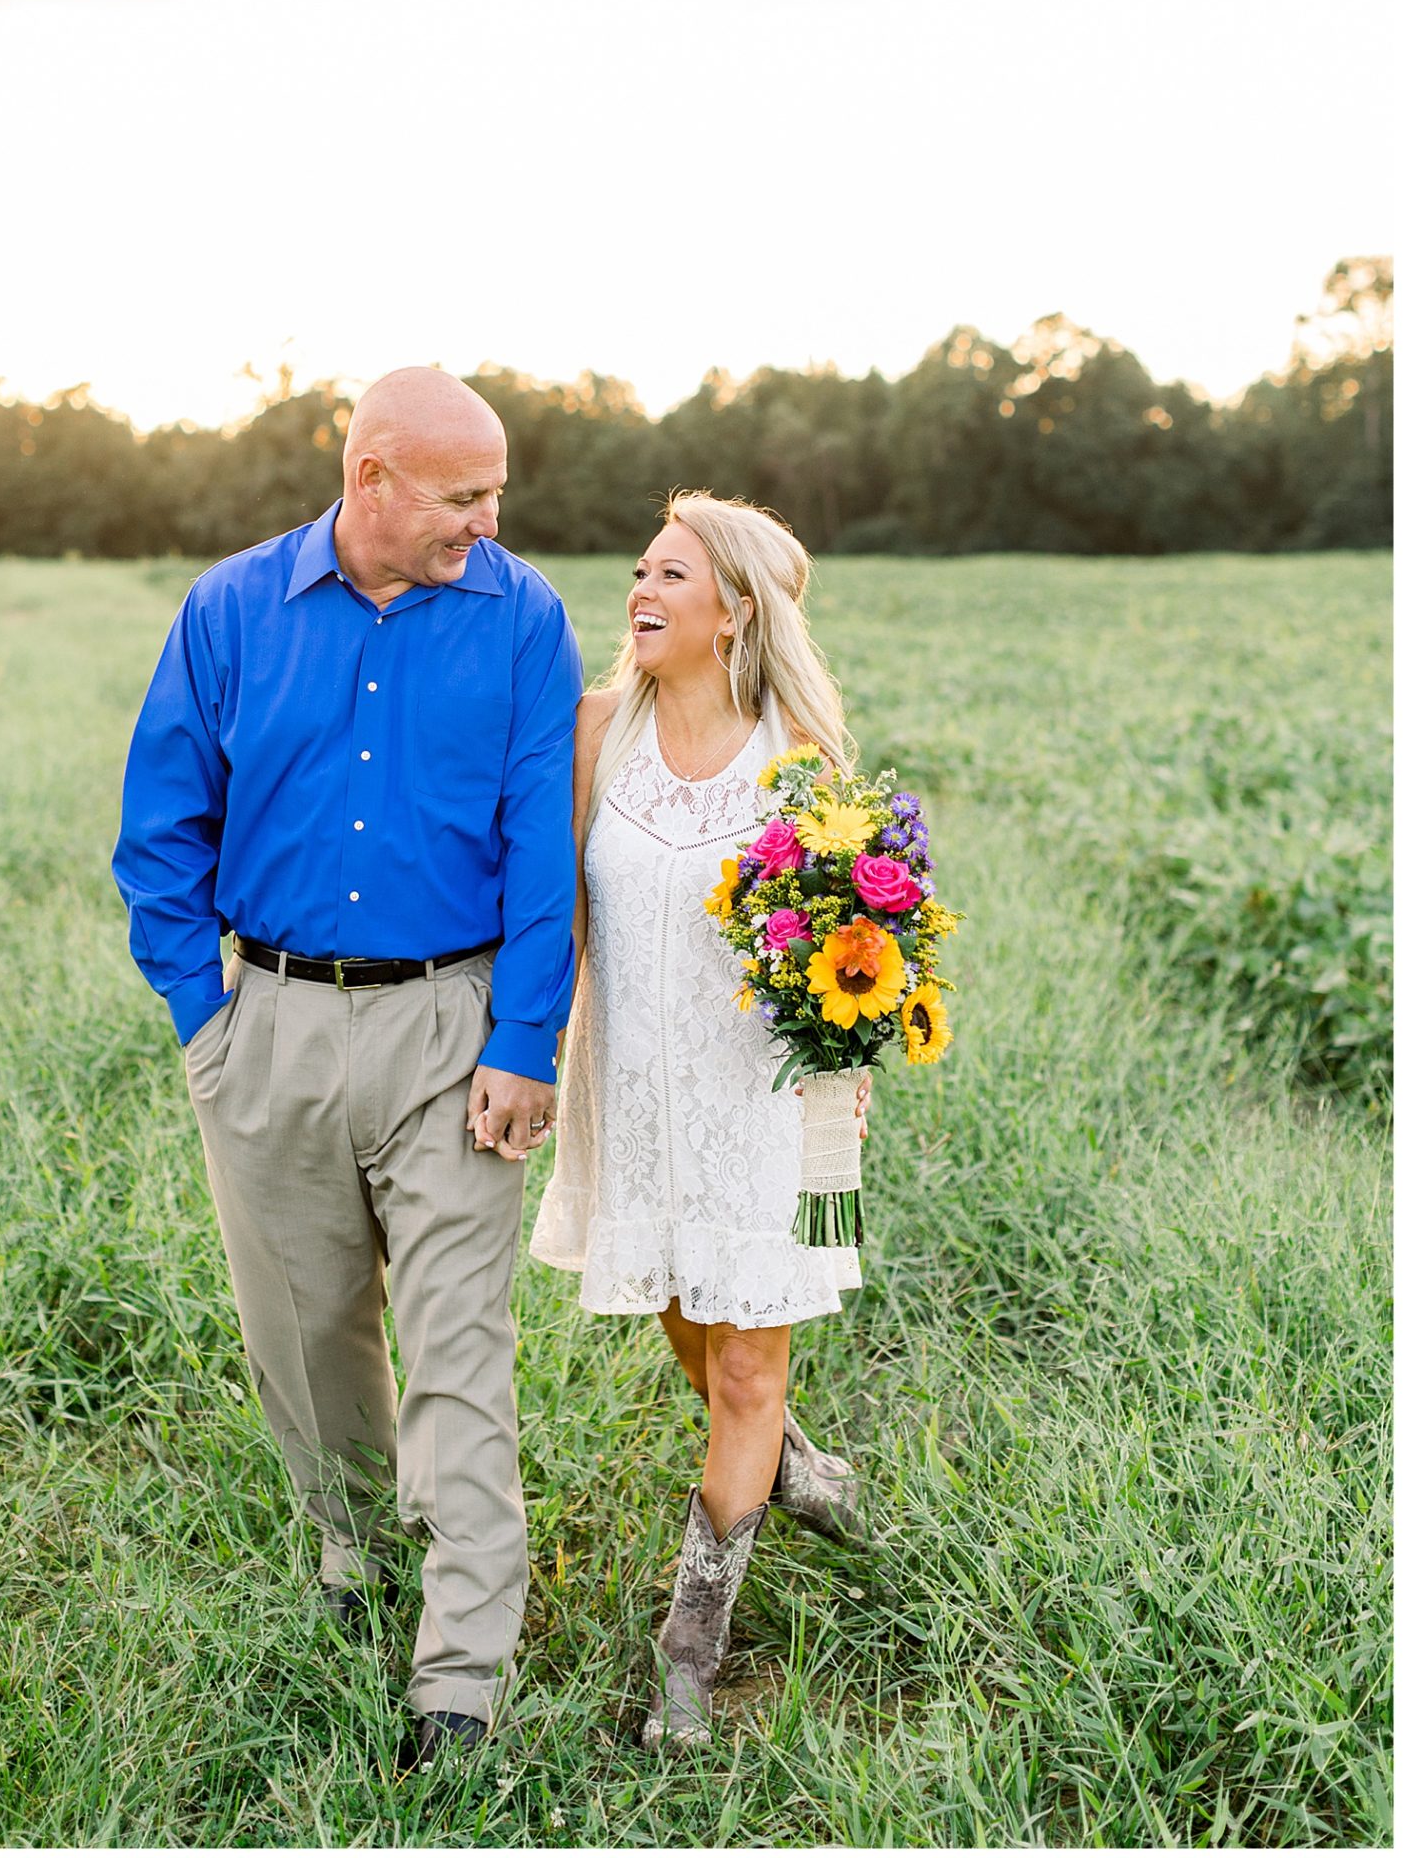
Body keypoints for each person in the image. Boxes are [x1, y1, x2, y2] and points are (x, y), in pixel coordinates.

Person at [112, 368, 580, 1768]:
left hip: (454, 1028)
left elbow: (541, 849)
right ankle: (353, 1560)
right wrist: (211, 1023)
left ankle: (462, 1666)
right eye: (463, 495)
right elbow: (160, 833)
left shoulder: (523, 617)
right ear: (369, 476)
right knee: (307, 1337)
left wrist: (521, 1042)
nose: (488, 521)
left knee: (458, 1351)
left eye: (498, 493)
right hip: (272, 1027)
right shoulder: (231, 611)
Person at [531, 490, 873, 1746]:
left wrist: (848, 1073)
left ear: (733, 610)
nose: (643, 589)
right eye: (640, 568)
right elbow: (557, 913)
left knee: (743, 1364)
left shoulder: (795, 761)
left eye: (672, 574)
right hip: (631, 1094)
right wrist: (529, 1047)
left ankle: (689, 1652)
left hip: (757, 1103)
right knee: (684, 1317)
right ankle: (794, 1466)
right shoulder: (596, 734)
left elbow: (852, 942)